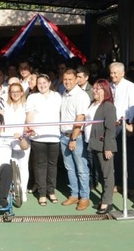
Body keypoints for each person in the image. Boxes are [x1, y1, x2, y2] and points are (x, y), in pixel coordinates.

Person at [26, 73, 61, 206]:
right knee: (40, 166)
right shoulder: (32, 97)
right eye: (39, 83)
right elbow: (29, 115)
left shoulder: (57, 96)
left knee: (52, 165)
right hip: (38, 137)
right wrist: (30, 128)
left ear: (49, 83)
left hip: (54, 136)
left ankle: (51, 191)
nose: (42, 85)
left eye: (44, 83)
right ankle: (42, 193)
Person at [59, 69, 91, 211]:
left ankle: (84, 197)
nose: (67, 82)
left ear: (76, 80)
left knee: (81, 168)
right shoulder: (64, 94)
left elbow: (80, 118)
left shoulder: (81, 96)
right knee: (69, 168)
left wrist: (73, 138)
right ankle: (74, 194)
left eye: (70, 79)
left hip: (76, 137)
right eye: (65, 79)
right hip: (63, 136)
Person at [84, 79, 117, 215]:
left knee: (107, 175)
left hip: (103, 145)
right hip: (92, 143)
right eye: (94, 88)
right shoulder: (93, 104)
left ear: (105, 91)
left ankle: (107, 202)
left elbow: (110, 128)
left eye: (98, 89)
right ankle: (104, 198)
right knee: (100, 173)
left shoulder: (108, 106)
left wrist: (107, 147)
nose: (94, 91)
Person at [109, 62, 134, 198]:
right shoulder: (109, 87)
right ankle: (119, 183)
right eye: (111, 72)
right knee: (116, 157)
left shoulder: (130, 86)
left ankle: (131, 186)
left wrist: (130, 124)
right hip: (112, 124)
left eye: (115, 73)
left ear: (122, 73)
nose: (113, 75)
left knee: (128, 157)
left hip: (125, 123)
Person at [3, 82, 31, 202]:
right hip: (8, 140)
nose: (15, 94)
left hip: (23, 140)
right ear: (9, 93)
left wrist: (22, 135)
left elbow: (29, 123)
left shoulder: (26, 105)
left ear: (21, 92)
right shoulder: (4, 105)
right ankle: (12, 190)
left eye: (17, 91)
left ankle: (22, 191)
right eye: (12, 91)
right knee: (10, 167)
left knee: (23, 167)